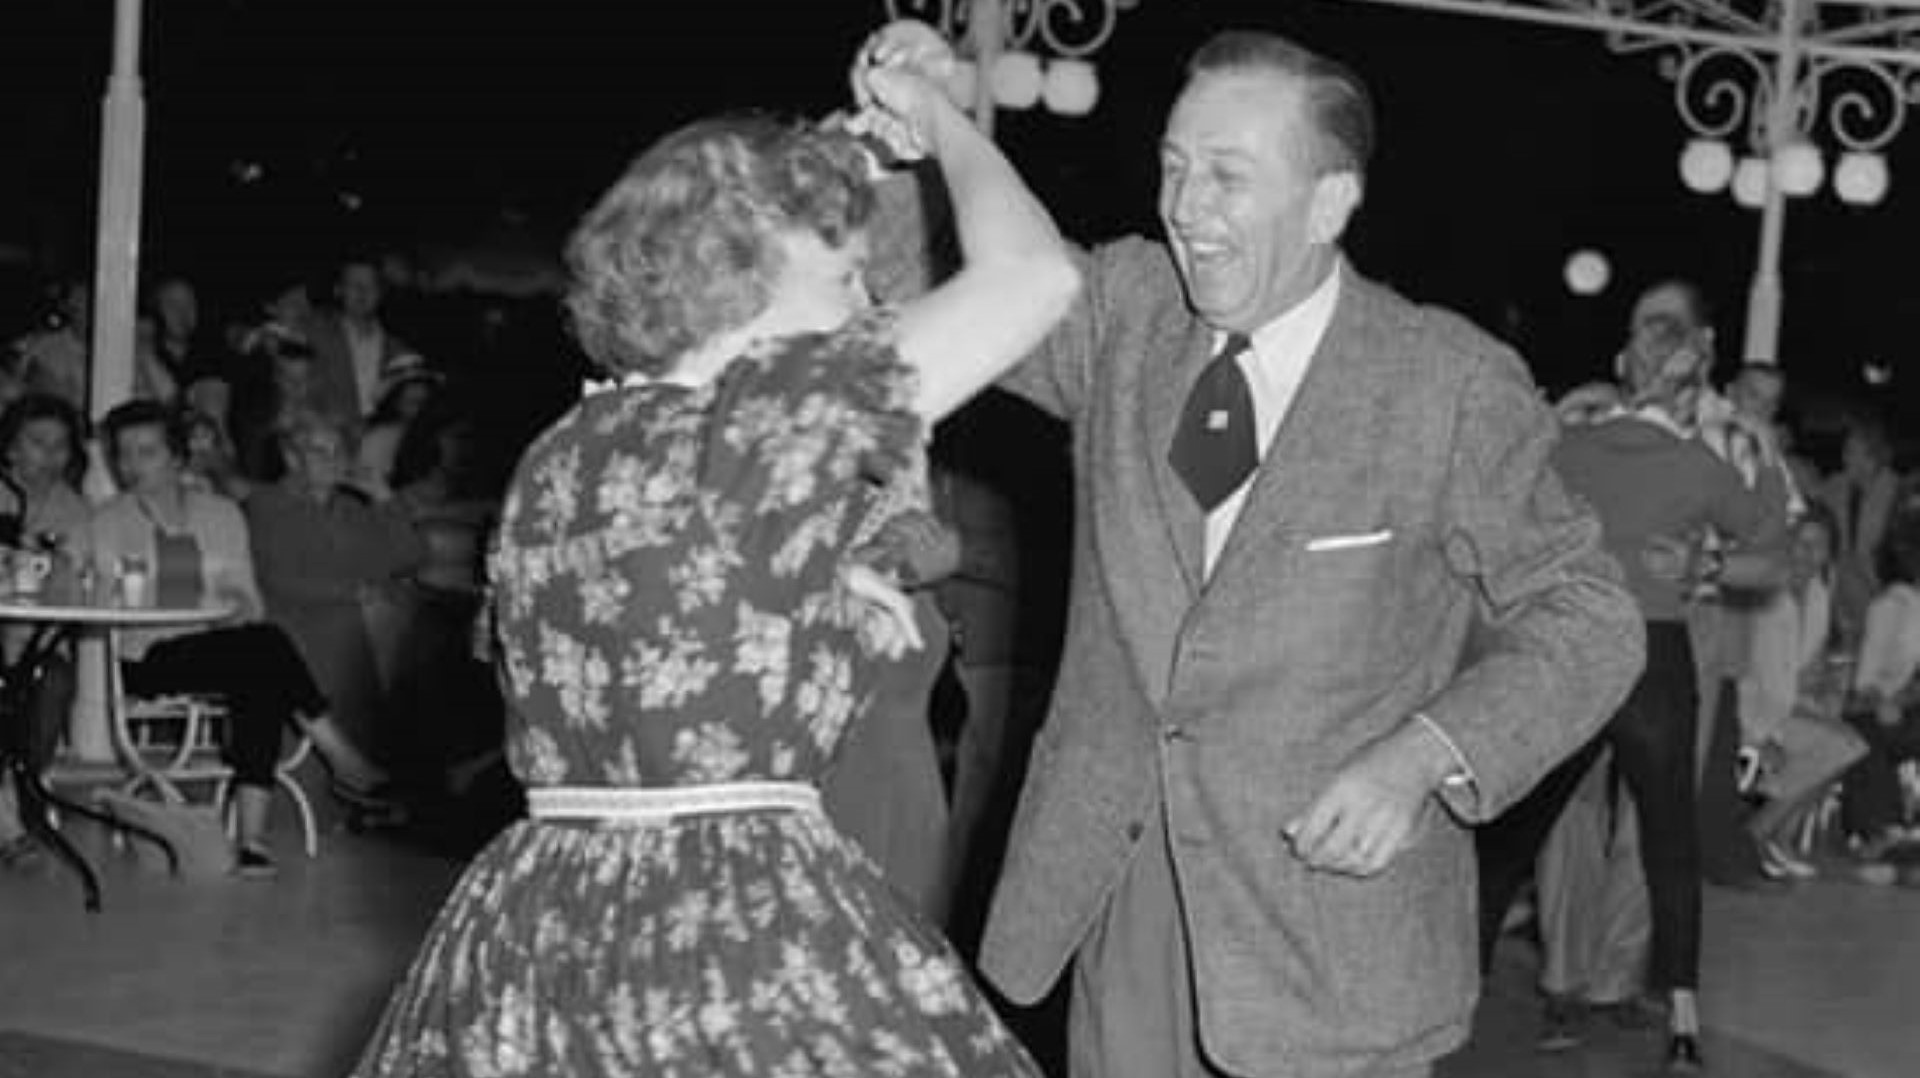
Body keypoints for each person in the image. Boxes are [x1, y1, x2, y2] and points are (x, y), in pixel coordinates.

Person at [351, 24, 1079, 1076]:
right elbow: (1035, 278)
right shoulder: (755, 432)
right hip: (723, 931)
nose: (868, 308)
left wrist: (853, 148)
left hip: (539, 919)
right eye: (846, 280)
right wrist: (941, 119)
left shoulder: (567, 447)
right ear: (746, 276)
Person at [935, 27, 1646, 1078]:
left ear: (1328, 204)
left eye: (1227, 176)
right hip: (1123, 897)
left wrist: (1423, 756)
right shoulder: (1127, 311)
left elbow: (1589, 618)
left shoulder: (1443, 385)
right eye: (1174, 168)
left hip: (1328, 941)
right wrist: (917, 123)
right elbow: (946, 275)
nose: (1185, 205)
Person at [1476, 308, 1785, 1071]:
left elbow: (1506, 515)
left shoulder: (1568, 444)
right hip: (1655, 652)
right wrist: (1714, 554)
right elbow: (1771, 548)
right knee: (1668, 839)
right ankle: (1683, 1022)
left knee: (1515, 832)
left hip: (1576, 648)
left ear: (1623, 363)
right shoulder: (1701, 465)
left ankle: (1459, 981)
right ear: (1692, 383)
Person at [91, 401, 386, 877]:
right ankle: (339, 756)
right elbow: (106, 600)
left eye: (147, 452)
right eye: (123, 454)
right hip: (142, 656)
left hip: (216, 647)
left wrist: (230, 606)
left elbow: (247, 598)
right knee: (264, 650)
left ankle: (251, 841)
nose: (131, 465)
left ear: (177, 456)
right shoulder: (107, 521)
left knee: (259, 665)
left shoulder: (220, 514)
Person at [0, 395, 93, 868]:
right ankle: (12, 820)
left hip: (36, 636)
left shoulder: (73, 508)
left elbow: (69, 584)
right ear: (11, 448)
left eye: (60, 446)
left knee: (52, 680)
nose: (50, 456)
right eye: (37, 443)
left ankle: (17, 800)